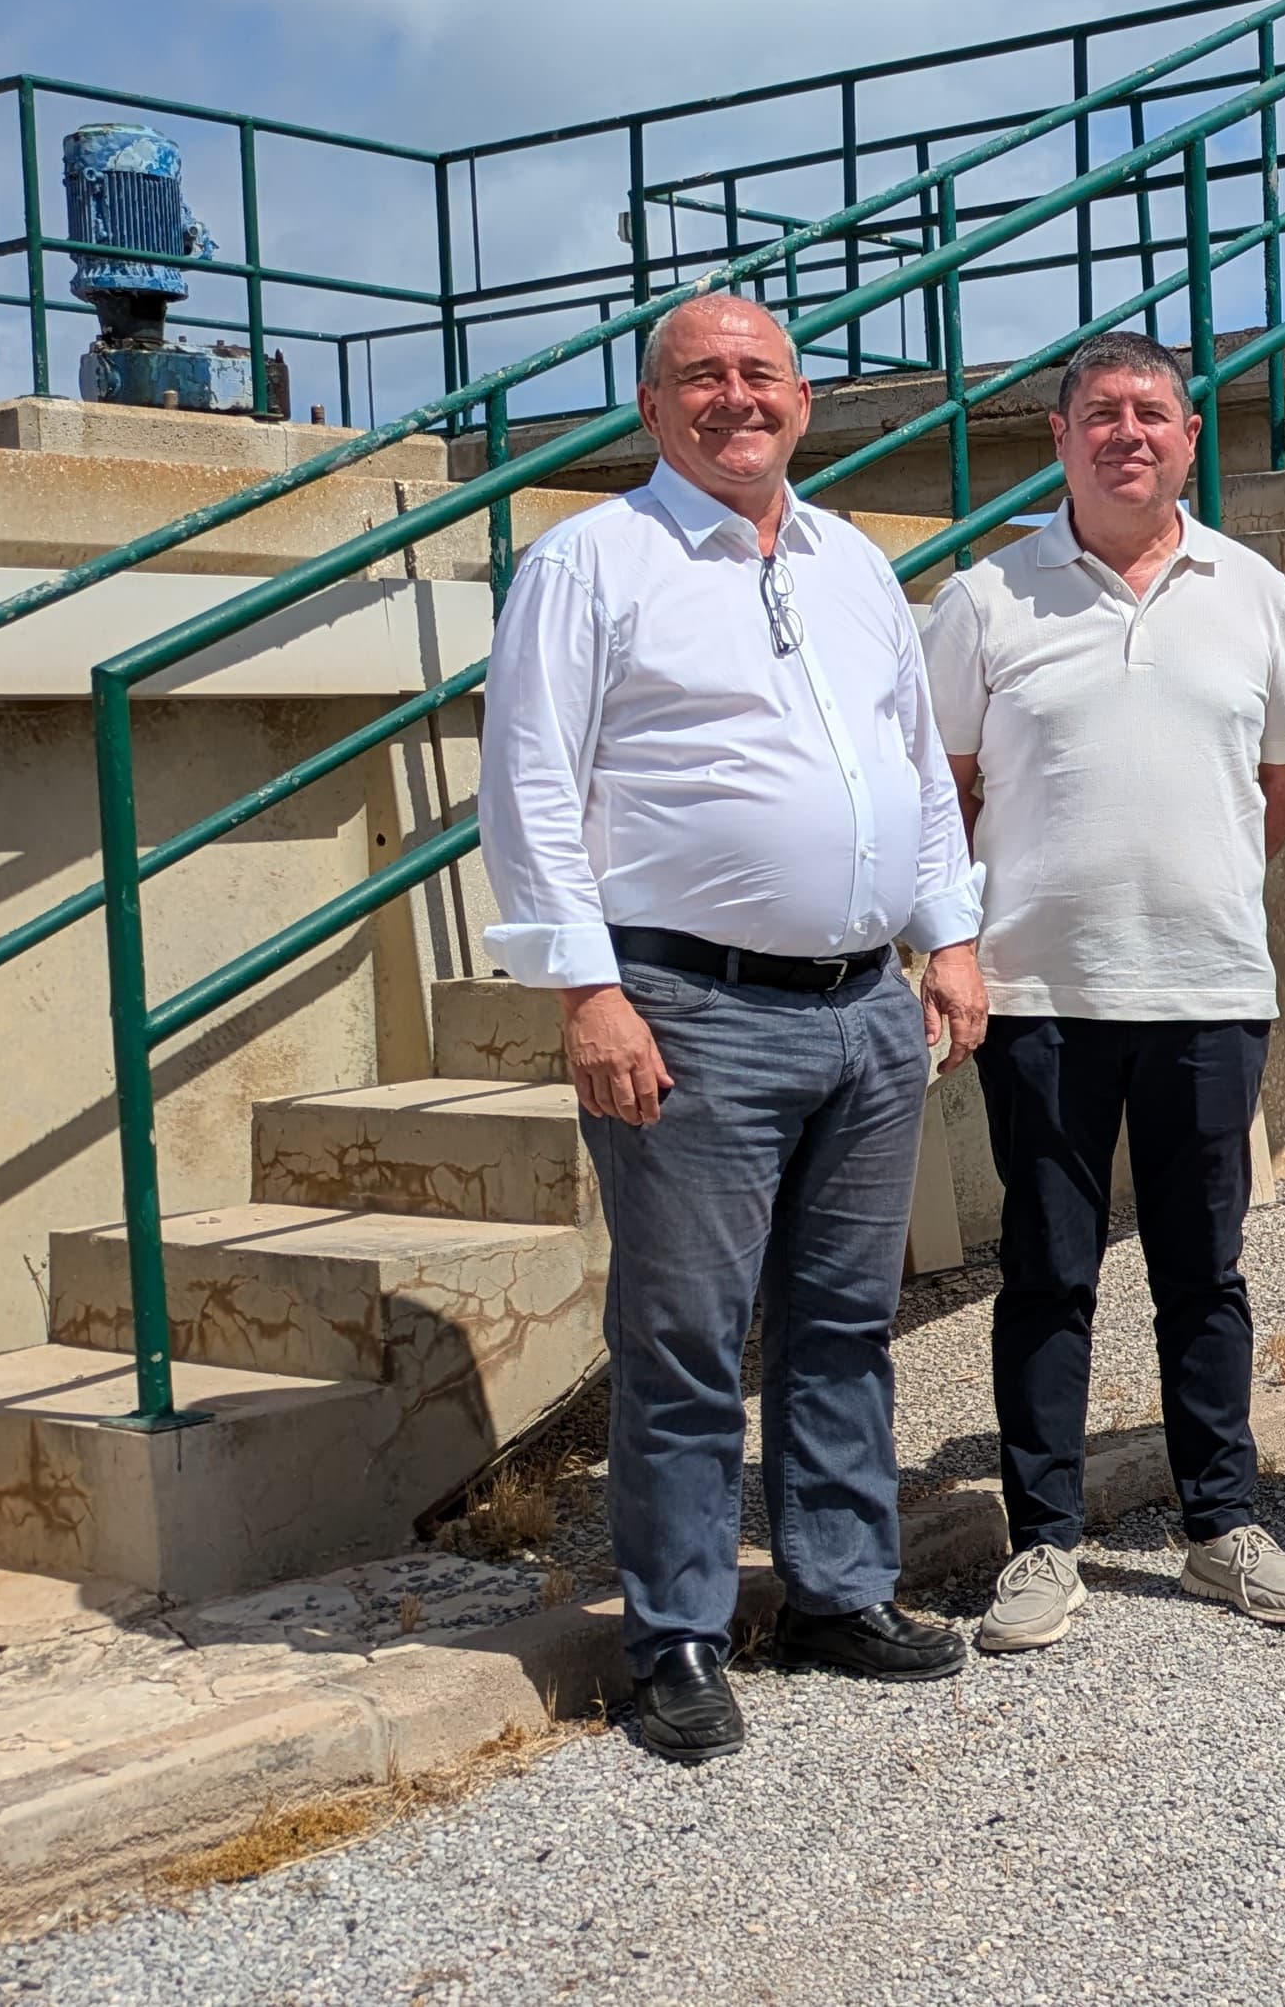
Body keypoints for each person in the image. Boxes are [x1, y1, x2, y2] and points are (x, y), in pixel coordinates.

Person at [482, 291, 988, 1765]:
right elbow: (528, 785)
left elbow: (914, 773)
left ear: (804, 401)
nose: (733, 396)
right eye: (698, 377)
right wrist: (589, 992)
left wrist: (945, 934)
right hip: (689, 1011)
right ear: (653, 411)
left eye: (759, 372)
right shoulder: (591, 561)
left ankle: (838, 1590)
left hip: (863, 1014)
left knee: (844, 1325)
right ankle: (679, 1636)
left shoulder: (855, 568)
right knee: (689, 1339)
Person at [923, 330, 1285, 1649]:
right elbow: (945, 786)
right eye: (1099, 413)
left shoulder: (1251, 590)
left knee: (1202, 1270)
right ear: (1059, 439)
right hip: (1042, 993)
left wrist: (1202, 870)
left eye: (1151, 413)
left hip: (1209, 987)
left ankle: (1221, 1525)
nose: (1127, 433)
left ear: (1188, 436)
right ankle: (1042, 1544)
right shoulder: (986, 602)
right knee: (1047, 1271)